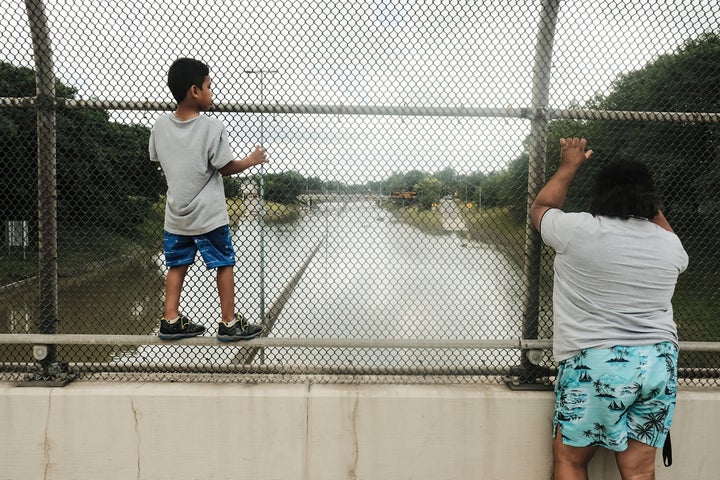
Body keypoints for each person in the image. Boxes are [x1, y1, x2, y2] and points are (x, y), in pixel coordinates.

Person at [530, 138, 689, 479]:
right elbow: (666, 233)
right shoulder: (670, 245)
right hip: (659, 363)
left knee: (571, 459)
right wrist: (646, 199)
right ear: (651, 199)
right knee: (639, 469)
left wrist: (569, 166)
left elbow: (541, 208)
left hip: (598, 360)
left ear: (599, 194)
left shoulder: (577, 230)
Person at [150, 57, 268, 342]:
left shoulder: (159, 127)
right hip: (210, 216)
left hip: (176, 215)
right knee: (224, 263)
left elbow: (157, 158)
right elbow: (225, 167)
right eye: (209, 87)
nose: (211, 93)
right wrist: (251, 160)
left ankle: (170, 319)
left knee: (176, 265)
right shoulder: (212, 127)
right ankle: (229, 322)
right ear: (195, 91)